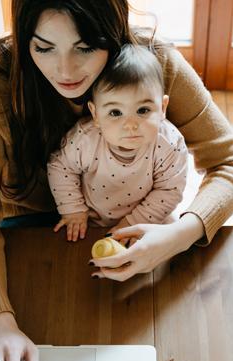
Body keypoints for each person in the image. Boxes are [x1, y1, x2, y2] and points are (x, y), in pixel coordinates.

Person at [0, 0, 233, 361]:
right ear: (23, 38)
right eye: (43, 47)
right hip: (31, 240)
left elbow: (232, 164)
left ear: (113, 28)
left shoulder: (155, 63)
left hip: (135, 241)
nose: (66, 71)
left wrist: (180, 234)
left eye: (85, 47)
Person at [48, 43, 187, 242]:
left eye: (143, 110)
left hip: (150, 219)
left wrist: (132, 224)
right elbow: (60, 167)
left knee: (171, 250)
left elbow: (169, 190)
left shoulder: (169, 144)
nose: (130, 125)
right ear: (95, 113)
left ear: (162, 107)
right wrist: (73, 211)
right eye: (115, 113)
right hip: (91, 220)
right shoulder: (86, 139)